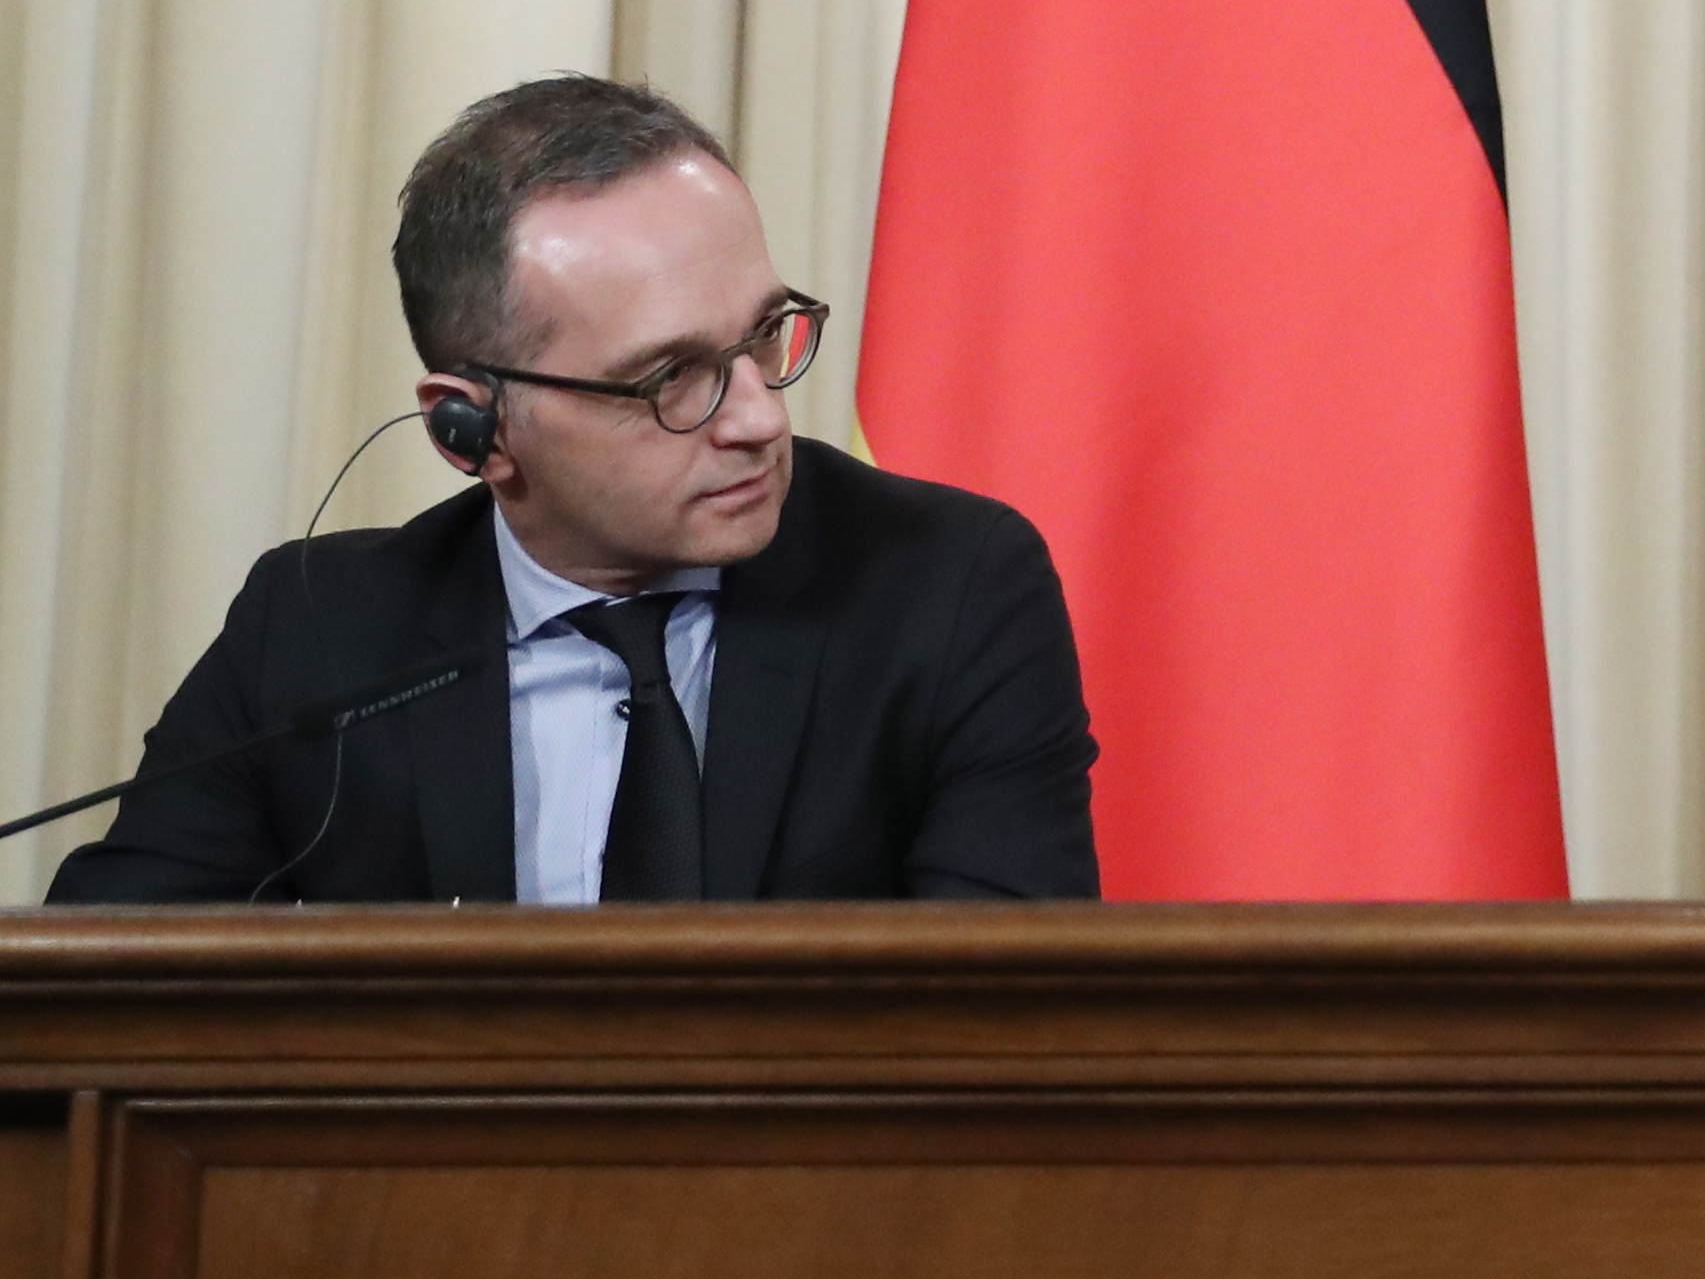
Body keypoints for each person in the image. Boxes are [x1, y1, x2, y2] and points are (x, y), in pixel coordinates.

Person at [47, 75, 1098, 903]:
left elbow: (1002, 1023)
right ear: (473, 428)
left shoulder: (947, 588)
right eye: (669, 377)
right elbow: (107, 997)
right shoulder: (320, 632)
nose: (759, 419)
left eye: (762, 337)